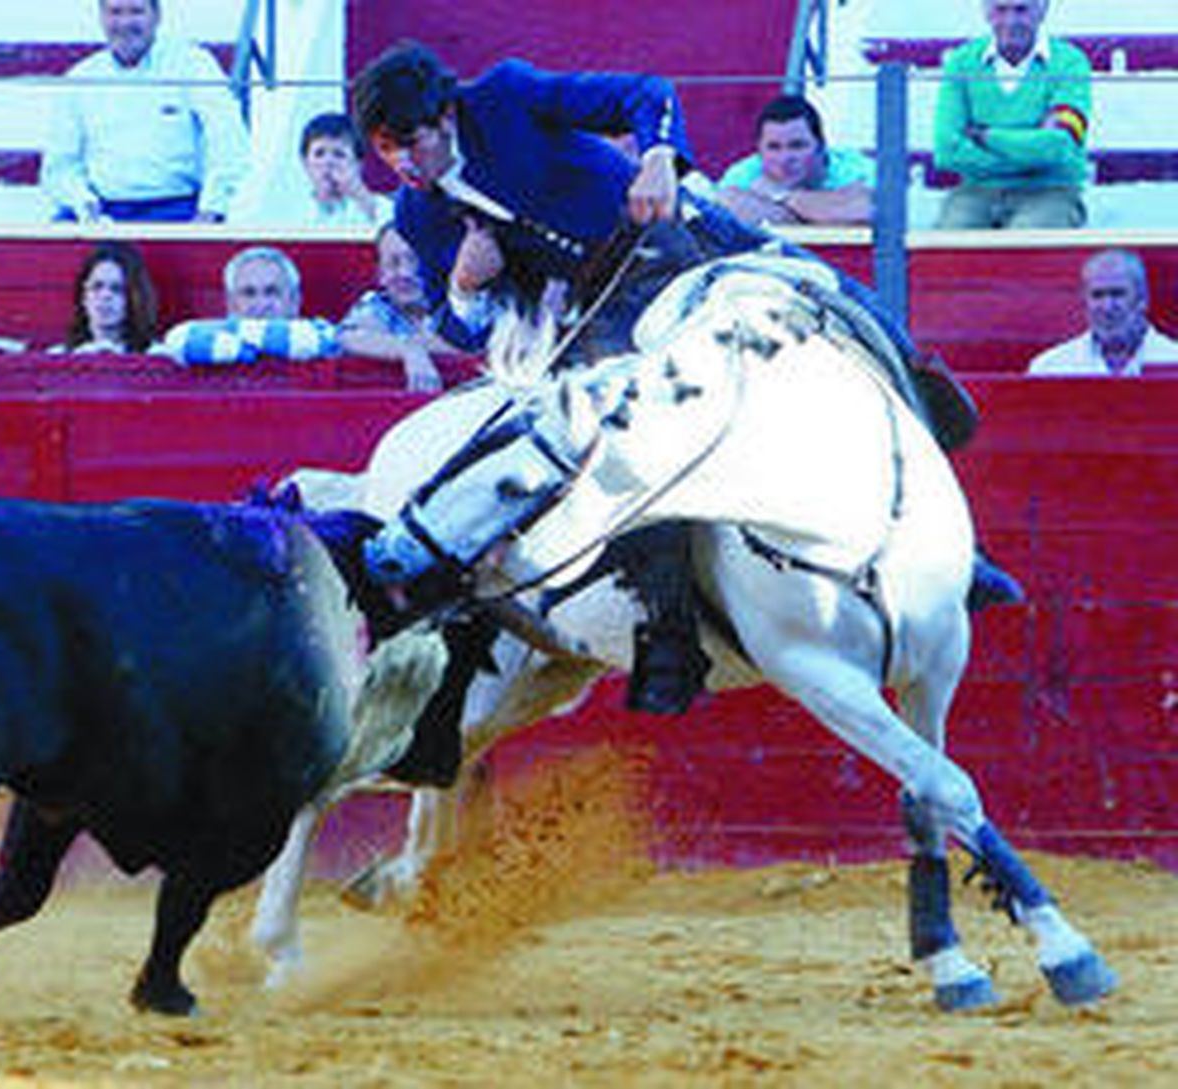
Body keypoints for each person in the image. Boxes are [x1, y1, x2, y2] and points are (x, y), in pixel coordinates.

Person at [351, 41, 1022, 716]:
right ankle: (669, 633)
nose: (403, 163)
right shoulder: (417, 215)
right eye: (385, 149)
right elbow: (459, 330)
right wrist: (468, 285)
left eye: (410, 141)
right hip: (602, 318)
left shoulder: (503, 97)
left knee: (847, 302)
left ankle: (961, 552)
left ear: (444, 118)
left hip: (684, 240)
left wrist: (656, 157)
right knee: (623, 459)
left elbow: (645, 91)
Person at [40, 0, 250, 223]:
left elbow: (228, 143)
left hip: (179, 208)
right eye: (115, 12)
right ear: (101, 17)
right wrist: (82, 203)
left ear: (157, 16)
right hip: (102, 210)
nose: (125, 23)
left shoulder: (194, 66)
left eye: (136, 11)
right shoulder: (81, 78)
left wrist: (212, 208)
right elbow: (60, 164)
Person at [932, 0, 1092, 230]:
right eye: (1001, 10)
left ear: (1043, 9)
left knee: (1028, 245)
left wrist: (986, 137)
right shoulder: (961, 62)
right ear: (985, 10)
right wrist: (1031, 150)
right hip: (975, 192)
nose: (1011, 21)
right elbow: (947, 152)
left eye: (1021, 10)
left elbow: (1057, 147)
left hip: (1051, 192)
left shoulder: (1070, 63)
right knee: (948, 249)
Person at [157, 246, 342, 365]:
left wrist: (240, 345)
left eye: (272, 292)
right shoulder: (200, 338)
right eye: (248, 293)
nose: (260, 305)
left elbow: (330, 339)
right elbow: (178, 339)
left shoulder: (319, 333)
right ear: (231, 303)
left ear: (295, 300)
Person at [717, 94, 873, 227]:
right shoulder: (746, 171)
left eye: (797, 146)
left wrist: (780, 196)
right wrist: (822, 211)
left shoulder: (854, 168)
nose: (785, 158)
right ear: (759, 150)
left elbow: (867, 209)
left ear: (821, 147)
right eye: (774, 147)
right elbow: (725, 207)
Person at [338, 223, 452, 391]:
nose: (405, 273)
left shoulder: (462, 302)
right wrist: (410, 350)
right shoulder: (378, 305)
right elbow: (348, 336)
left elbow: (472, 344)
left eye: (415, 261)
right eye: (393, 263)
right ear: (380, 275)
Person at [1027, 249, 1178, 376]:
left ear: (1142, 300)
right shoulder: (1051, 369)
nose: (1107, 307)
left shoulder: (1173, 358)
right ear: (1085, 301)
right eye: (1098, 295)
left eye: (1118, 294)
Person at [238, 112, 394, 229]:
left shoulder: (380, 206)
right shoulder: (288, 209)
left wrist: (359, 196)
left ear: (358, 163)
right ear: (305, 163)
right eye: (319, 154)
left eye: (339, 155)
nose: (328, 162)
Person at [47, 241, 161, 354]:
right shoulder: (59, 356)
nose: (105, 296)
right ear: (83, 297)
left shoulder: (156, 356)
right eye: (97, 287)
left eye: (117, 289)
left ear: (134, 298)